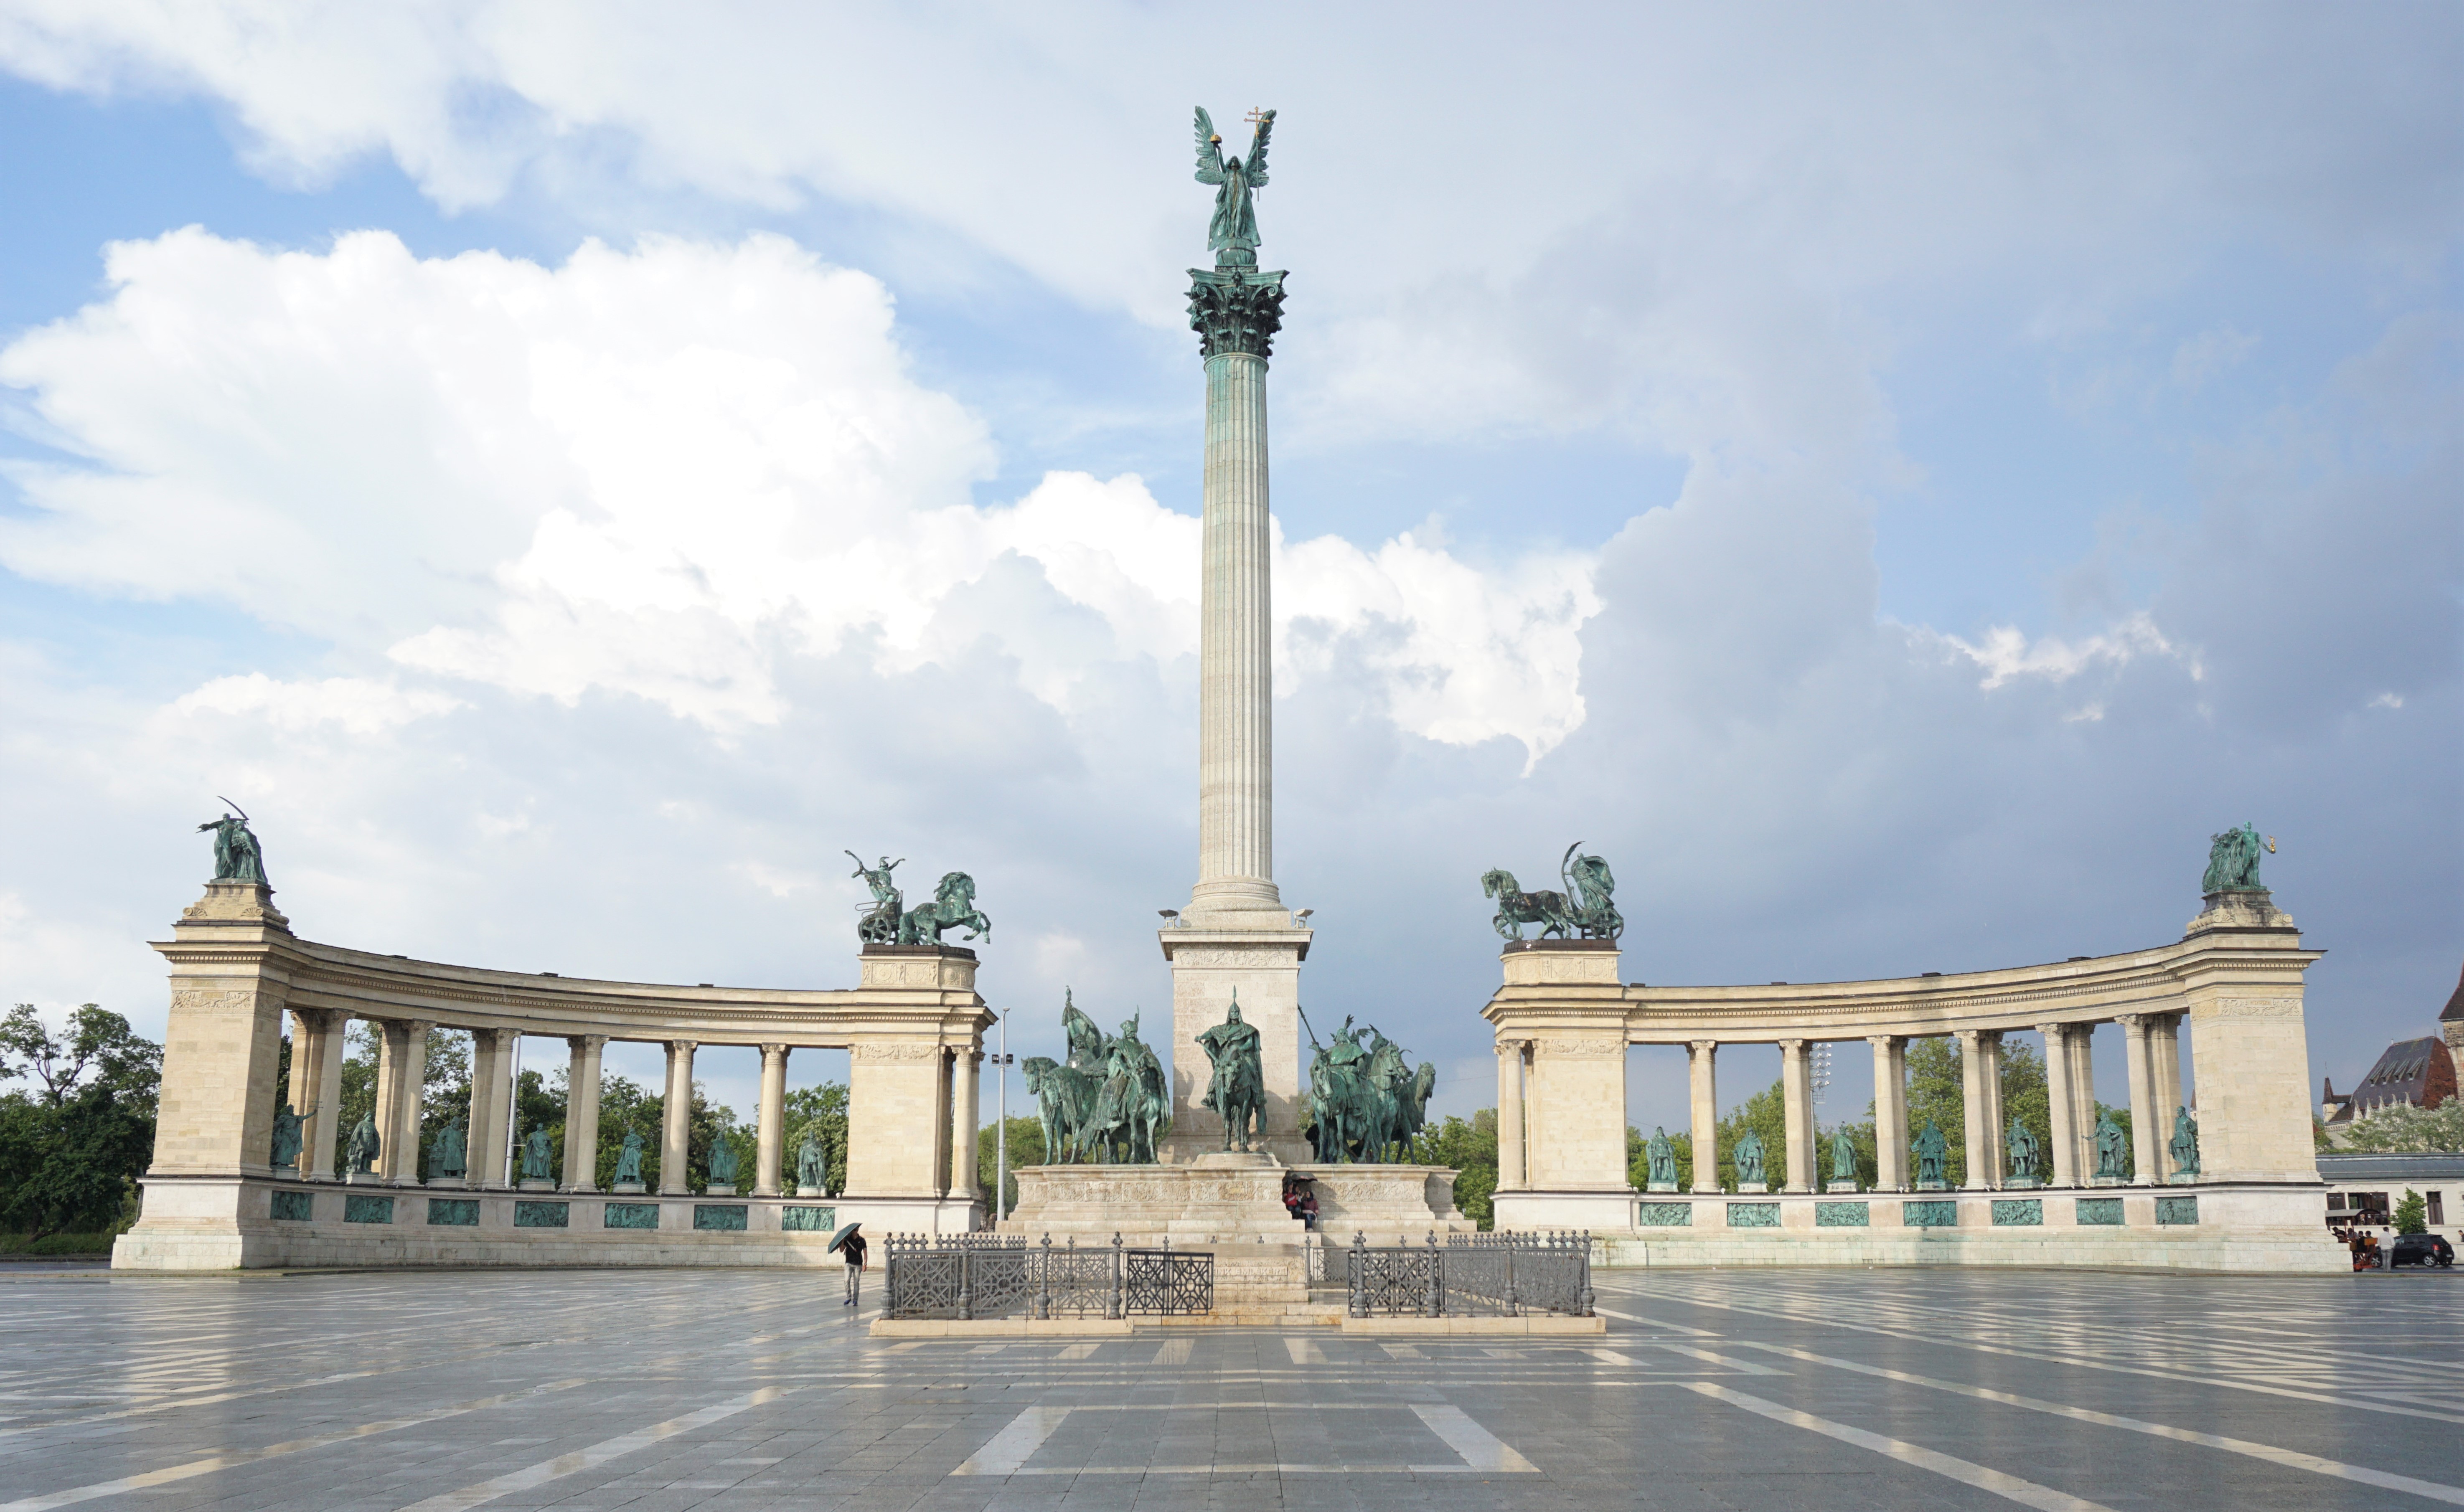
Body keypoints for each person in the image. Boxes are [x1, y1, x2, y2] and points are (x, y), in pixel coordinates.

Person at [842, 1229, 869, 1306]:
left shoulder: (862, 1240)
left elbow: (865, 1253)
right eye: (852, 1231)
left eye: (855, 1230)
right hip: (848, 1263)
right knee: (847, 1281)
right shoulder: (847, 1239)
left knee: (856, 1282)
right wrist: (842, 1241)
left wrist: (865, 1264)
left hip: (858, 1264)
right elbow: (841, 1250)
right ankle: (848, 1297)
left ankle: (855, 1300)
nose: (853, 1232)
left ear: (857, 1231)